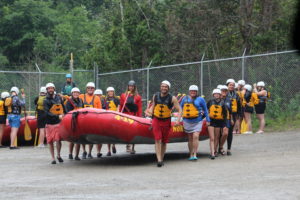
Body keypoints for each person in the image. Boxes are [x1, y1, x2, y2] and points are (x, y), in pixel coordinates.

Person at [146, 80, 182, 167]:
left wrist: (177, 120)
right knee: (158, 139)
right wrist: (149, 111)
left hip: (166, 121)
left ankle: (161, 158)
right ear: (160, 87)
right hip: (156, 120)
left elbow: (180, 110)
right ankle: (159, 159)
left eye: (166, 87)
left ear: (168, 88)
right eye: (162, 86)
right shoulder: (155, 96)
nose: (164, 88)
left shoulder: (172, 98)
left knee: (164, 141)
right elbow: (153, 107)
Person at [180, 85, 210, 161]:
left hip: (198, 121)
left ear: (197, 92)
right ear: (189, 92)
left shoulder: (201, 99)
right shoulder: (184, 99)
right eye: (191, 91)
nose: (193, 92)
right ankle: (191, 154)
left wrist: (208, 120)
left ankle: (195, 154)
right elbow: (180, 108)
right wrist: (178, 119)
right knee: (190, 138)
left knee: (196, 136)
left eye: (194, 91)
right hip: (187, 121)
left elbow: (206, 110)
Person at [44, 83, 66, 164]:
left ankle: (58, 155)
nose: (50, 90)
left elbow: (63, 108)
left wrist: (65, 115)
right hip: (49, 123)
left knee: (58, 140)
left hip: (58, 123)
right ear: (47, 90)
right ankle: (53, 158)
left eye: (51, 88)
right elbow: (46, 113)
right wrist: (58, 116)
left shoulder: (59, 98)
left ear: (54, 89)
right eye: (48, 88)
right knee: (50, 141)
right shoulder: (45, 100)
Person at [79, 82, 102, 159]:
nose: (90, 89)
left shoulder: (97, 98)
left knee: (91, 137)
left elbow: (100, 111)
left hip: (93, 121)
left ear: (94, 89)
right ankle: (84, 151)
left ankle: (89, 152)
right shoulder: (81, 96)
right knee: (83, 137)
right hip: (83, 120)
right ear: (86, 89)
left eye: (92, 88)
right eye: (89, 88)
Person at [120, 80, 142, 154]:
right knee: (126, 131)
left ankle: (133, 147)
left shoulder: (137, 97)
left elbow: (139, 108)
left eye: (132, 86)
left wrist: (139, 118)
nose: (131, 87)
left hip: (133, 115)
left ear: (134, 87)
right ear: (128, 87)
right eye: (130, 86)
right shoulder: (123, 95)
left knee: (133, 132)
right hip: (126, 114)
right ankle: (128, 145)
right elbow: (121, 106)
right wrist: (120, 114)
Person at [207, 89, 228, 159]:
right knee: (212, 138)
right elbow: (206, 111)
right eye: (215, 94)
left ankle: (215, 151)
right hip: (211, 121)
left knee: (216, 138)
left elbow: (225, 115)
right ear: (213, 95)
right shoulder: (210, 102)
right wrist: (206, 119)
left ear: (220, 95)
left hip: (219, 122)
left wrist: (224, 125)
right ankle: (212, 153)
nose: (216, 95)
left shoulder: (223, 103)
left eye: (218, 94)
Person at [66, 87, 83, 161]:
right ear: (72, 94)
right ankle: (70, 153)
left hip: (79, 121)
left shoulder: (81, 100)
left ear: (79, 94)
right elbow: (67, 112)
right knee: (72, 139)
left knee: (78, 139)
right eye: (74, 92)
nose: (76, 94)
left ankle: (76, 155)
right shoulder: (69, 102)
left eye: (77, 93)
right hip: (71, 121)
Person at [226, 79, 241, 155]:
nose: (231, 86)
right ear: (227, 85)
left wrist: (238, 115)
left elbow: (239, 105)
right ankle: (220, 148)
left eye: (233, 85)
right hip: (225, 115)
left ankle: (229, 149)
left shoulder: (236, 94)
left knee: (230, 132)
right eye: (230, 85)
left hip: (233, 115)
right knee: (222, 132)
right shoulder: (224, 93)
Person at [105, 87, 119, 156]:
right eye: (109, 92)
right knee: (108, 135)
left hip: (114, 117)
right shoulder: (105, 100)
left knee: (113, 134)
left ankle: (113, 145)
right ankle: (108, 150)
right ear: (107, 93)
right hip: (107, 118)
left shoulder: (116, 99)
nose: (110, 93)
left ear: (113, 92)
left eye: (112, 91)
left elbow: (118, 108)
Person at [219, 85, 232, 155]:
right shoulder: (216, 98)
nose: (224, 92)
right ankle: (218, 149)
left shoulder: (228, 99)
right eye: (222, 90)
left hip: (226, 119)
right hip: (217, 118)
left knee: (225, 133)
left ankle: (221, 146)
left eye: (225, 91)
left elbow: (230, 110)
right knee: (218, 134)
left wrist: (232, 119)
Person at [94, 89, 105, 158]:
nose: (98, 96)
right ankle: (96, 151)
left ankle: (98, 151)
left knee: (100, 138)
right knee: (96, 137)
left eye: (99, 95)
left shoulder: (104, 102)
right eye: (97, 95)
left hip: (102, 121)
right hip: (95, 120)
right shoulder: (93, 101)